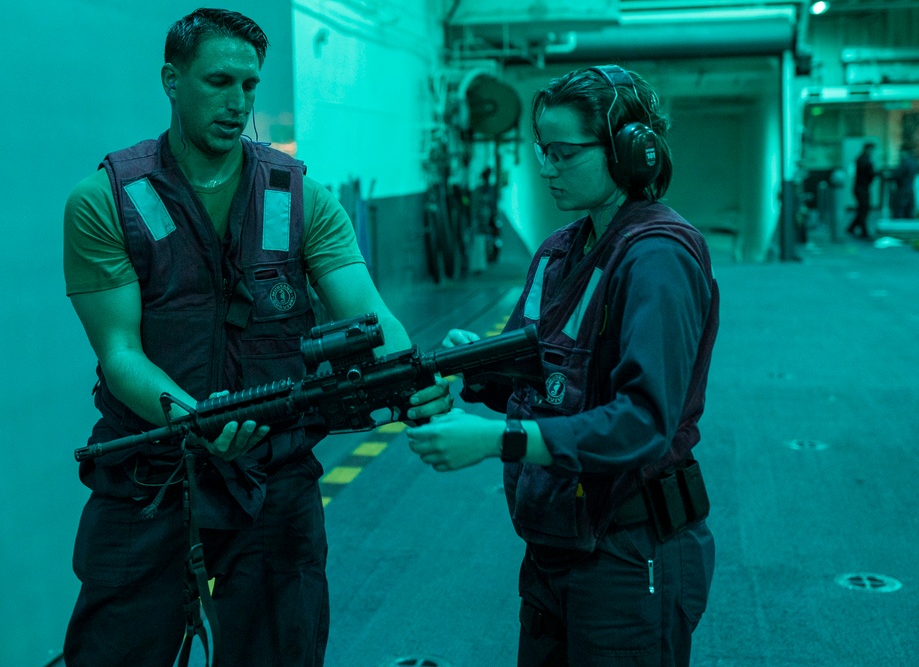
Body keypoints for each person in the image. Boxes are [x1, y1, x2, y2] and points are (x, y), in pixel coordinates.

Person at [61, 8, 450, 667]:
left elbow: (366, 308)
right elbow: (120, 351)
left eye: (249, 85)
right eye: (218, 82)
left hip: (274, 475)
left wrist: (410, 372)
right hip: (151, 476)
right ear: (171, 79)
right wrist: (194, 418)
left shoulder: (298, 197)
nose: (237, 102)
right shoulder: (106, 201)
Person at [405, 65, 719, 665]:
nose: (546, 168)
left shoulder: (658, 258)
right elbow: (541, 380)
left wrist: (500, 440)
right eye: (542, 151)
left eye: (563, 153)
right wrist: (468, 368)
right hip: (557, 545)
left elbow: (644, 422)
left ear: (631, 151)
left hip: (631, 551)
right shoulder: (557, 253)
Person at [847, 142, 876, 238]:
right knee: (864, 209)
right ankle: (863, 231)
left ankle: (852, 227)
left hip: (861, 187)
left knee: (862, 209)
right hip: (861, 187)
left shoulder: (861, 158)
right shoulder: (864, 160)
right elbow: (868, 173)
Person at [890, 144, 918, 219]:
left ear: (905, 151)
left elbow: (896, 174)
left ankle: (897, 228)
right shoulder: (914, 161)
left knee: (899, 209)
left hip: (902, 189)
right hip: (910, 188)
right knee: (909, 210)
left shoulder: (905, 162)